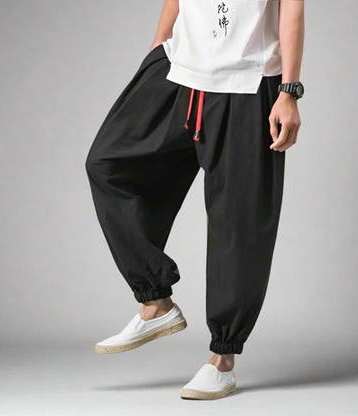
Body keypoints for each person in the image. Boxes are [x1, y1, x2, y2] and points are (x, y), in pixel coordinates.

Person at [85, 0, 304, 400]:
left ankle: (222, 358)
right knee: (107, 163)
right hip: (178, 71)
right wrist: (158, 44)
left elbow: (291, 10)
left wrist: (289, 91)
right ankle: (156, 301)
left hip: (246, 83)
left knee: (237, 220)